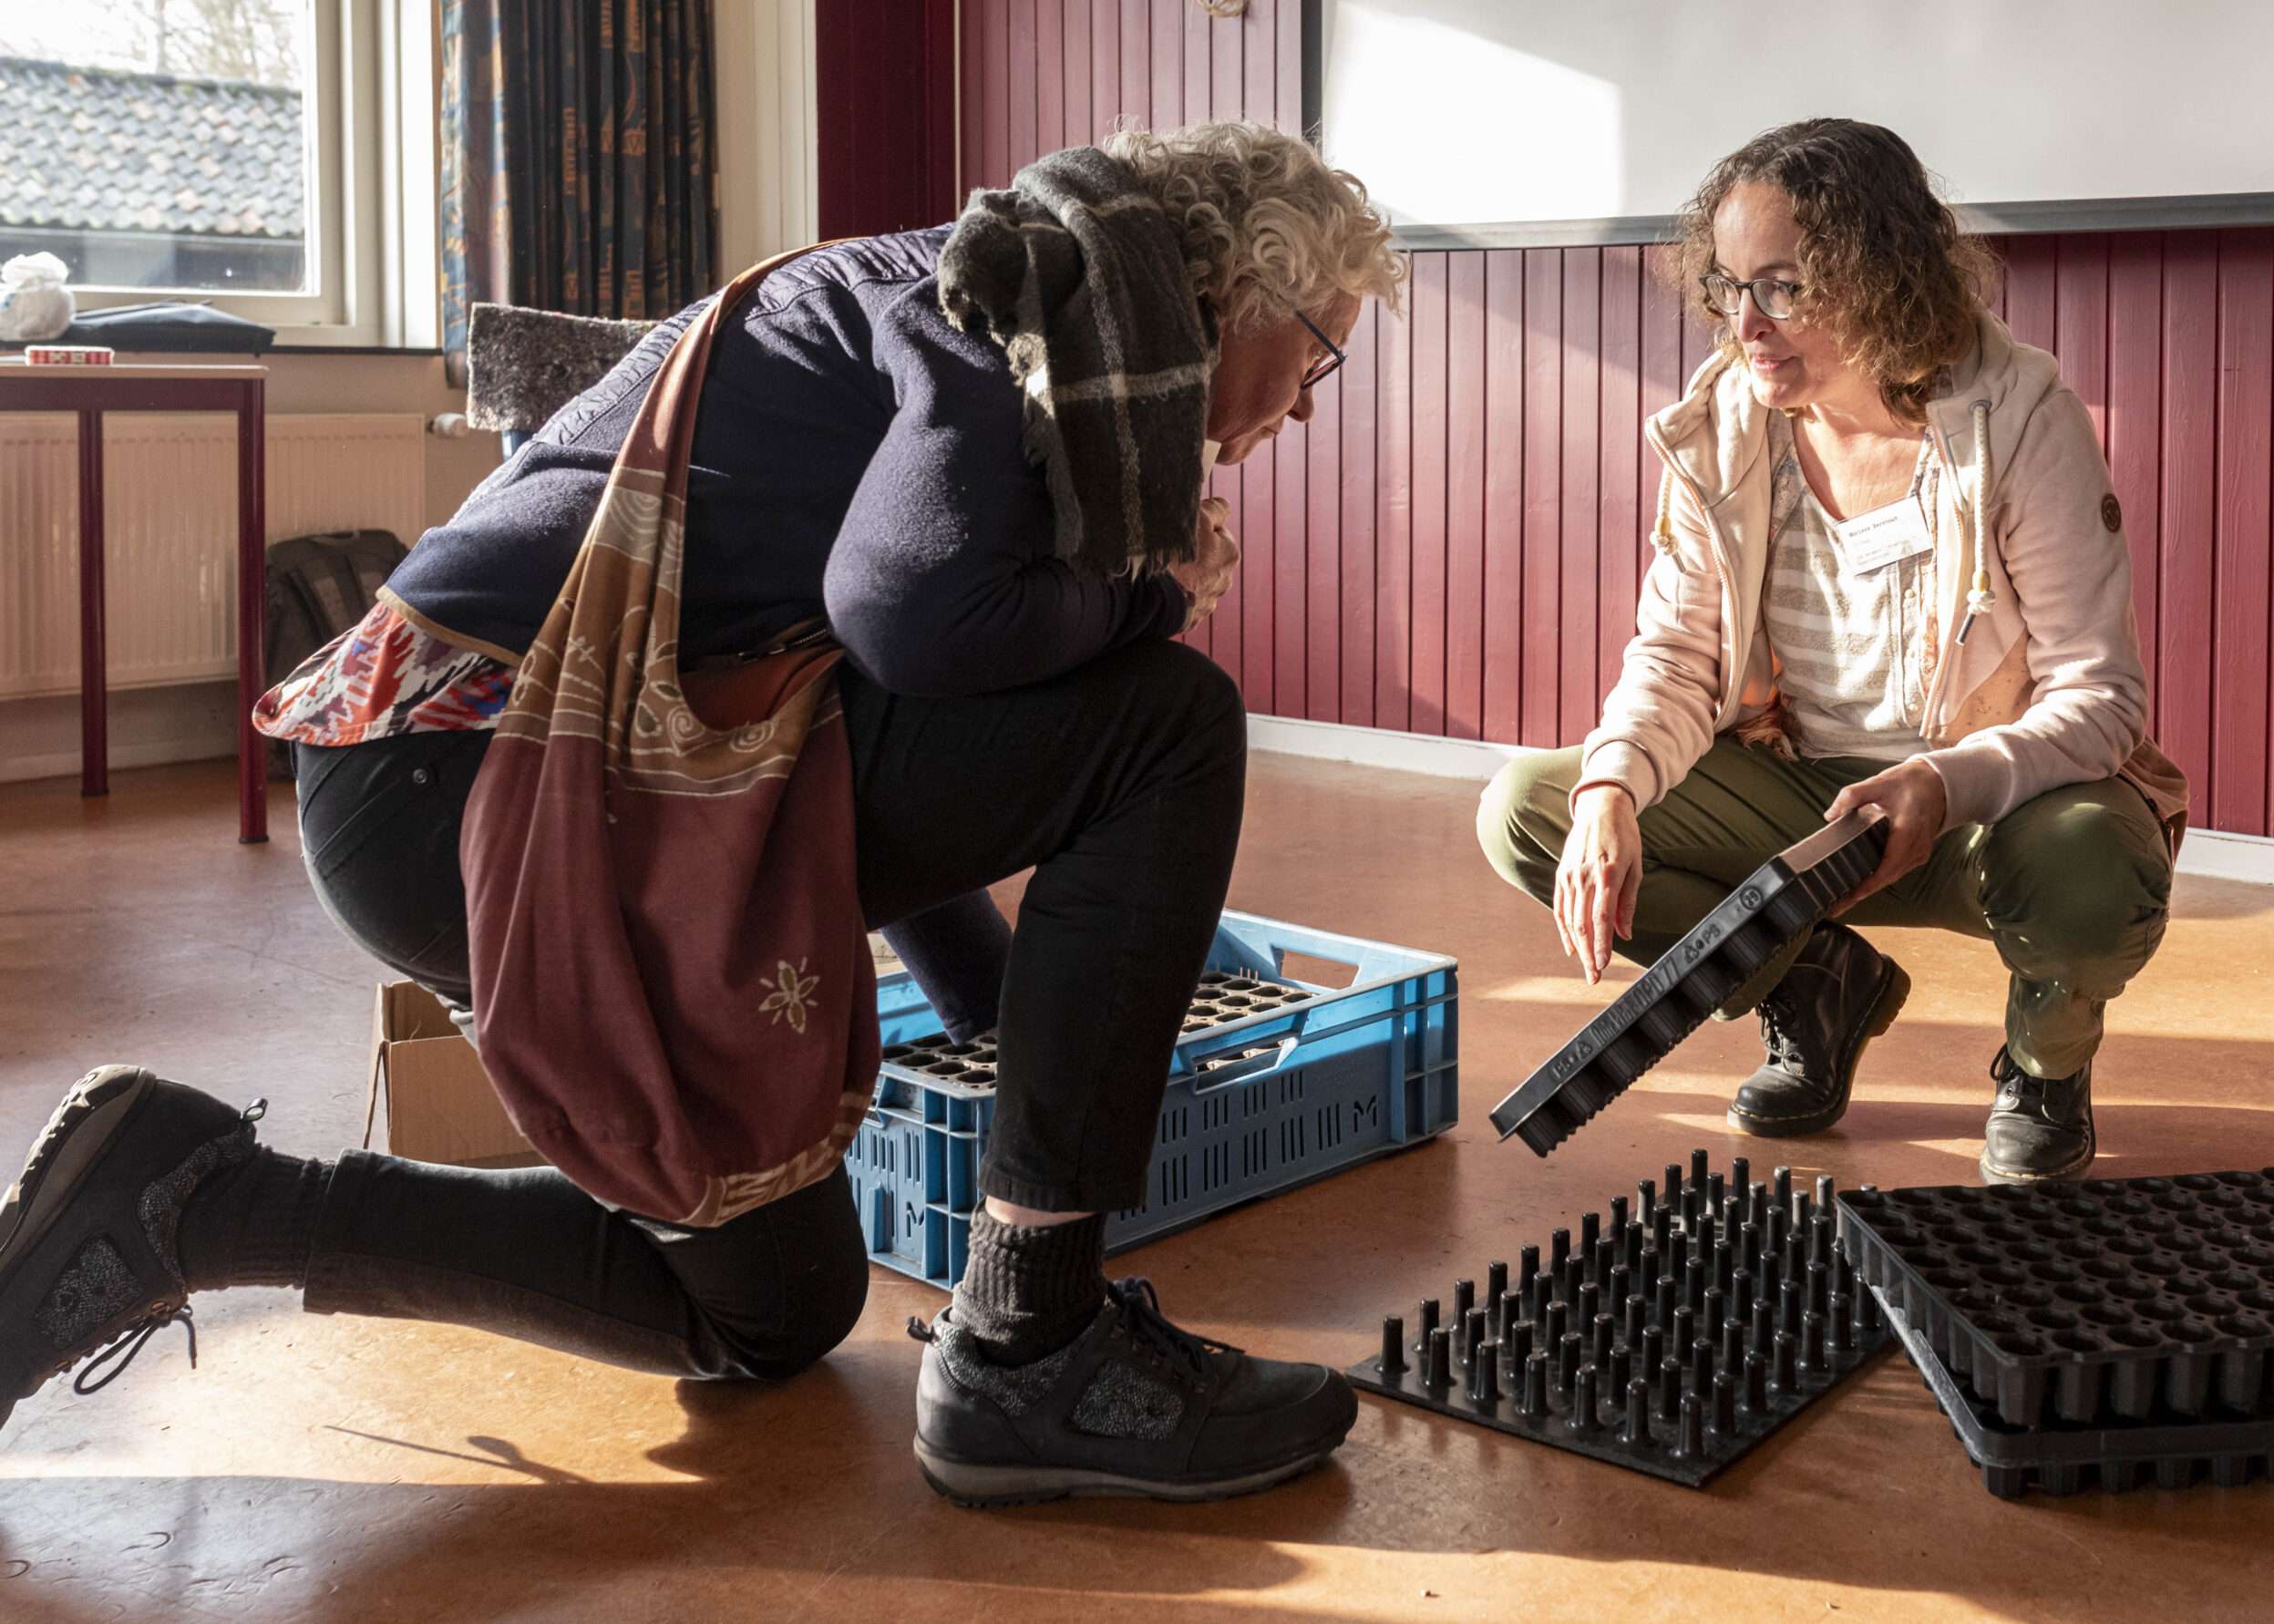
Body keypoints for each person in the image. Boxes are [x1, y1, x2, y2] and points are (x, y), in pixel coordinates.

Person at [0, 121, 1406, 1508]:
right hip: (476, 790)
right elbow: (909, 622)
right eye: (1317, 354)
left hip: (455, 782)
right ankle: (1034, 1340)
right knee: (1168, 720)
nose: (1302, 407)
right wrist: (1152, 596)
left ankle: (196, 1199)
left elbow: (854, 683)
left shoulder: (1007, 300)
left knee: (773, 1305)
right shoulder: (996, 316)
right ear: (1234, 289)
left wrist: (1002, 1012)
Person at [1478, 118, 2186, 1185]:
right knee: (1534, 810)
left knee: (2097, 861)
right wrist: (1611, 790)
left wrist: (1942, 784)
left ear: (1881, 277)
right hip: (1801, 798)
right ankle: (1814, 987)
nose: (1745, 325)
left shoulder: (2020, 418)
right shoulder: (1726, 423)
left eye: (1783, 287)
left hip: (1978, 812)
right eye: (1728, 286)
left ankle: (2045, 1064)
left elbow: (2099, 697)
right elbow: (1675, 654)